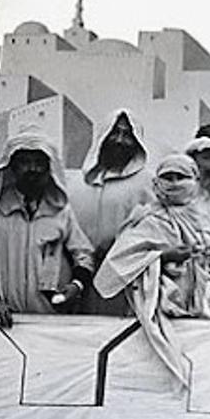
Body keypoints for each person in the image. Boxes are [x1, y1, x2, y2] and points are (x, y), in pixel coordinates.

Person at [93, 154, 210, 385]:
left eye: (180, 177)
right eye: (167, 177)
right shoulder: (147, 218)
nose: (173, 183)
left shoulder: (203, 219)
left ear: (194, 180)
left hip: (201, 312)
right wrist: (163, 255)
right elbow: (118, 263)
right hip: (158, 310)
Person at [0, 128, 95, 328]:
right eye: (25, 162)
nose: (32, 169)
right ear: (12, 167)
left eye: (39, 163)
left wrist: (76, 286)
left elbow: (84, 255)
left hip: (50, 321)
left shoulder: (61, 212)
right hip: (3, 322)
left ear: (49, 169)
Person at [67, 108, 153, 313]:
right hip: (77, 278)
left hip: (123, 281)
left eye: (127, 135)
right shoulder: (77, 183)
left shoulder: (147, 183)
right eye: (115, 133)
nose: (120, 140)